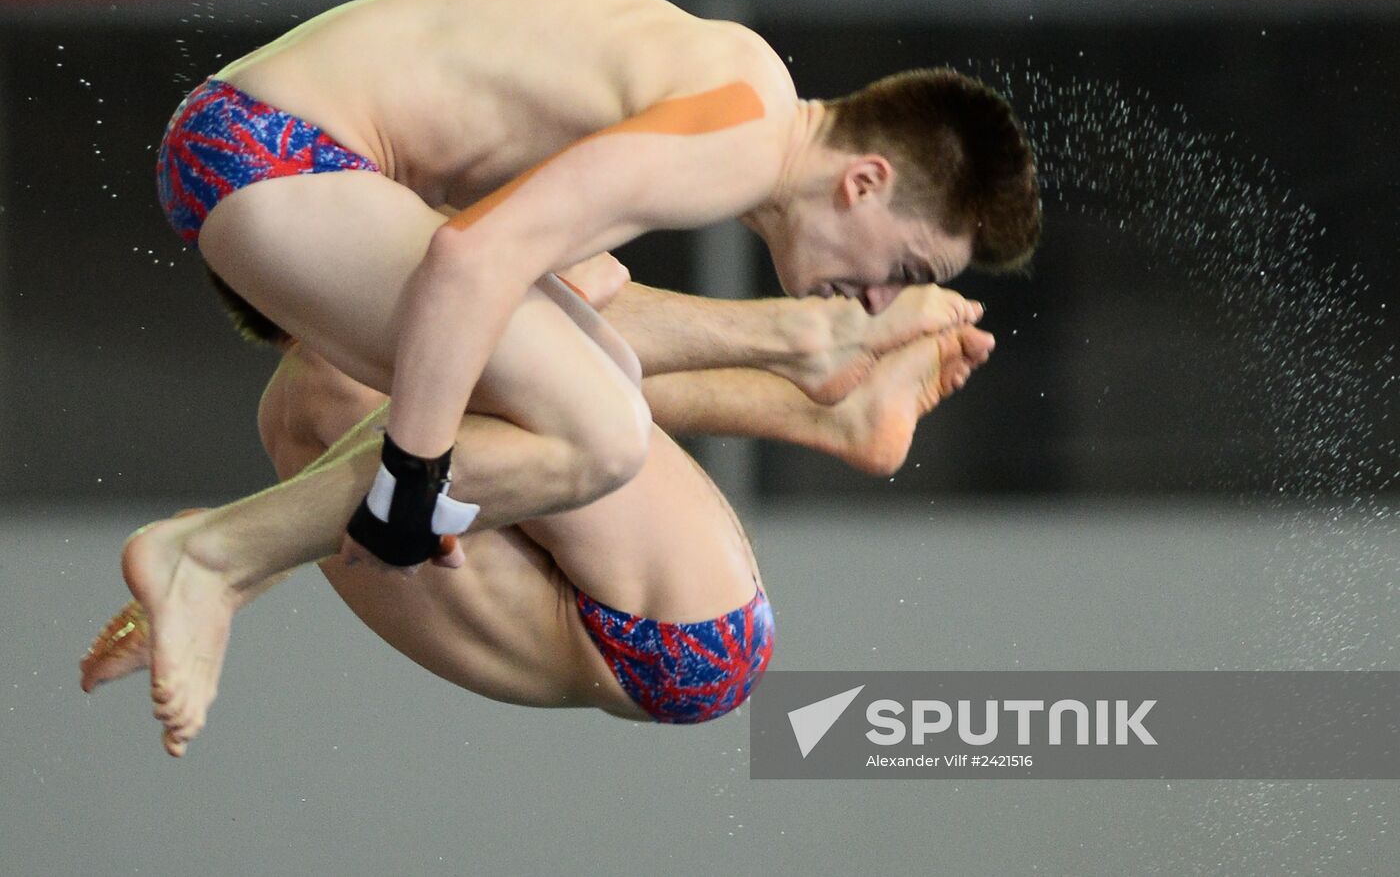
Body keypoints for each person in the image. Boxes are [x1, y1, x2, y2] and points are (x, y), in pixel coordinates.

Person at [156, 0, 1039, 571]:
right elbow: (471, 255)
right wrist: (414, 480)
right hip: (275, 152)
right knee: (602, 429)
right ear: (864, 182)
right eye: (906, 263)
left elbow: (554, 280)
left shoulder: (741, 87)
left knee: (590, 347)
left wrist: (459, 479)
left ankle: (812, 379)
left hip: (267, 145)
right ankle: (210, 559)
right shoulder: (741, 136)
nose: (884, 294)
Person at [86, 256, 995, 756]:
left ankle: (215, 567)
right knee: (509, 327)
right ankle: (212, 563)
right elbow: (593, 283)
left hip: (636, 644)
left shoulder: (306, 407)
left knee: (515, 364)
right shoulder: (347, 370)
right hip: (676, 616)